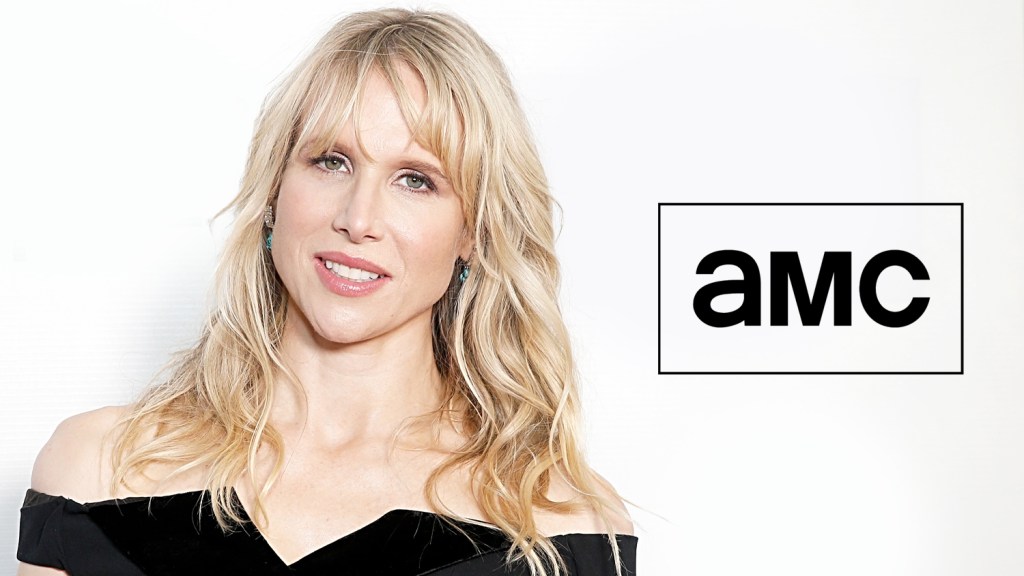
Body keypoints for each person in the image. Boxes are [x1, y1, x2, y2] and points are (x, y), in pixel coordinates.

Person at [17, 8, 636, 576]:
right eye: (331, 162)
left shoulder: (560, 525)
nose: (358, 219)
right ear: (273, 193)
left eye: (416, 180)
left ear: (472, 232)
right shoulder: (99, 472)